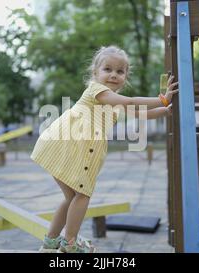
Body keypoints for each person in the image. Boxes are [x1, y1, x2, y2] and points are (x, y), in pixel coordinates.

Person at [30, 46, 178, 253]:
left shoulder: (113, 100)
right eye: (107, 69)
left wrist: (165, 110)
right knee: (82, 195)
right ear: (95, 73)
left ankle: (51, 241)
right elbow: (131, 101)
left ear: (126, 76)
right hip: (74, 146)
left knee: (73, 197)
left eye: (120, 71)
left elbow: (139, 112)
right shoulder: (97, 90)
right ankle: (70, 243)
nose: (113, 75)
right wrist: (162, 99)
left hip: (65, 145)